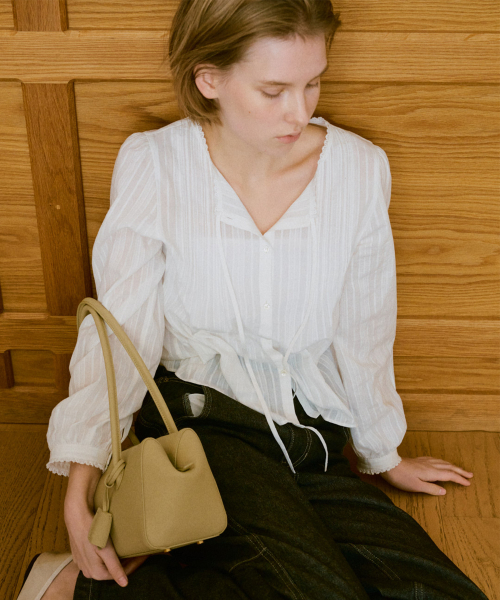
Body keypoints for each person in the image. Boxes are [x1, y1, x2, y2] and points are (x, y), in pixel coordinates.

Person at [18, 1, 489, 599]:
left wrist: (382, 452)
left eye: (313, 83)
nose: (300, 110)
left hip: (309, 434)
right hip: (200, 427)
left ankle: (83, 586)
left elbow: (364, 324)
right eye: (273, 91)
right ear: (209, 79)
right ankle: (78, 582)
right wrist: (81, 481)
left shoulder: (358, 169)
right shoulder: (157, 164)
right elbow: (121, 330)